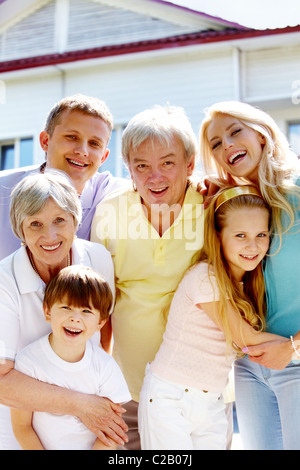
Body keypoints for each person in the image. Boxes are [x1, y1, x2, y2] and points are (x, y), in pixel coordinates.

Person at [138, 185, 289, 450]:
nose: (252, 246)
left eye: (261, 234)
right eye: (240, 235)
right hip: (171, 398)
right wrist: (295, 344)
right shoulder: (205, 277)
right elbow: (247, 338)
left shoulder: (248, 284)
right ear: (218, 236)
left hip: (212, 401)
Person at [91, 105, 204, 448]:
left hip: (197, 385)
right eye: (142, 166)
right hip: (129, 386)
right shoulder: (111, 211)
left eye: (167, 163)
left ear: (189, 164)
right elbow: (100, 302)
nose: (154, 177)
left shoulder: (212, 207)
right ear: (128, 168)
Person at [0, 171, 128, 450]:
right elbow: (1, 381)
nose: (50, 235)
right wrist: (80, 405)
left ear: (75, 219)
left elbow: (102, 336)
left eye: (60, 219)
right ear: (20, 231)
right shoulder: (4, 281)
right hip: (23, 434)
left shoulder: (98, 259)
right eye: (35, 224)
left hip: (86, 433)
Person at [199, 100, 300, 450]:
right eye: (215, 144)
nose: (226, 145)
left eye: (234, 131)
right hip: (250, 365)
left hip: (296, 359)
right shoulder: (242, 204)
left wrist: (294, 347)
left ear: (261, 133)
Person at [11, 266, 131, 450]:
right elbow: (22, 427)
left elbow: (111, 432)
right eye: (66, 307)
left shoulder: (105, 367)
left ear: (100, 322)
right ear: (48, 312)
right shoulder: (28, 362)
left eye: (86, 311)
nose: (75, 318)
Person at [0, 93, 129, 260]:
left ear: (103, 157)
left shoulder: (119, 196)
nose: (82, 151)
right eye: (72, 137)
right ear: (46, 141)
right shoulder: (3, 189)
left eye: (94, 143)